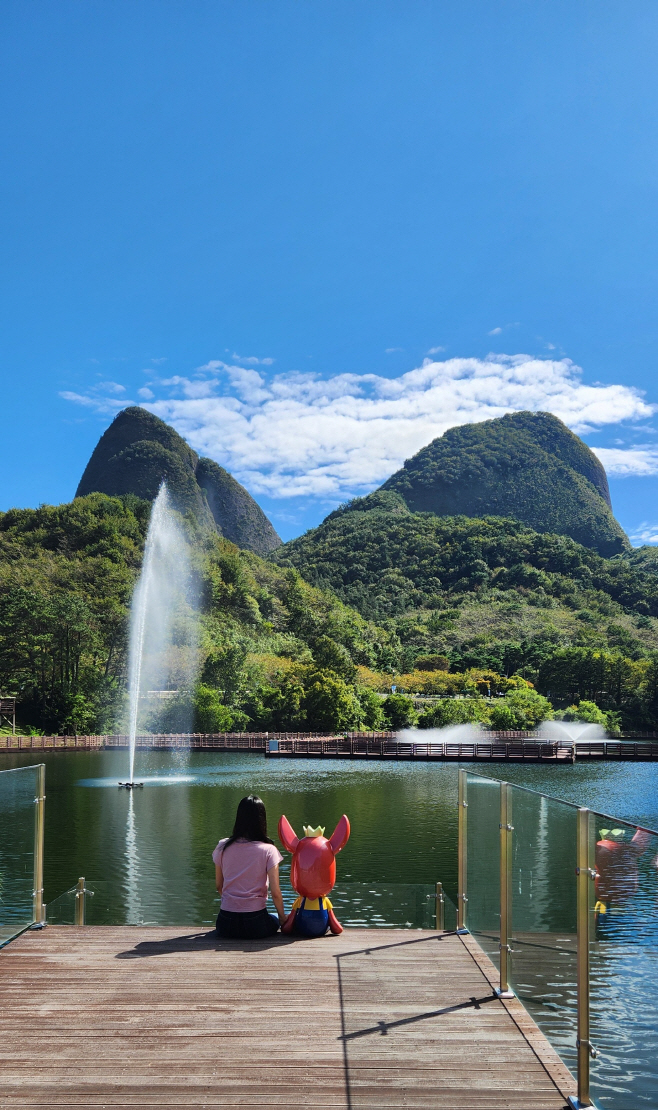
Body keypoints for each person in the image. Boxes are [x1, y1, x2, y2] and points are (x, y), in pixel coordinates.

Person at [213, 795, 286, 939]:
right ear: (261, 820)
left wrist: (234, 905)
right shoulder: (268, 850)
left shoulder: (222, 846)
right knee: (275, 919)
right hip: (256, 923)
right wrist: (283, 919)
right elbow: (275, 892)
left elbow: (219, 886)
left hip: (225, 924)